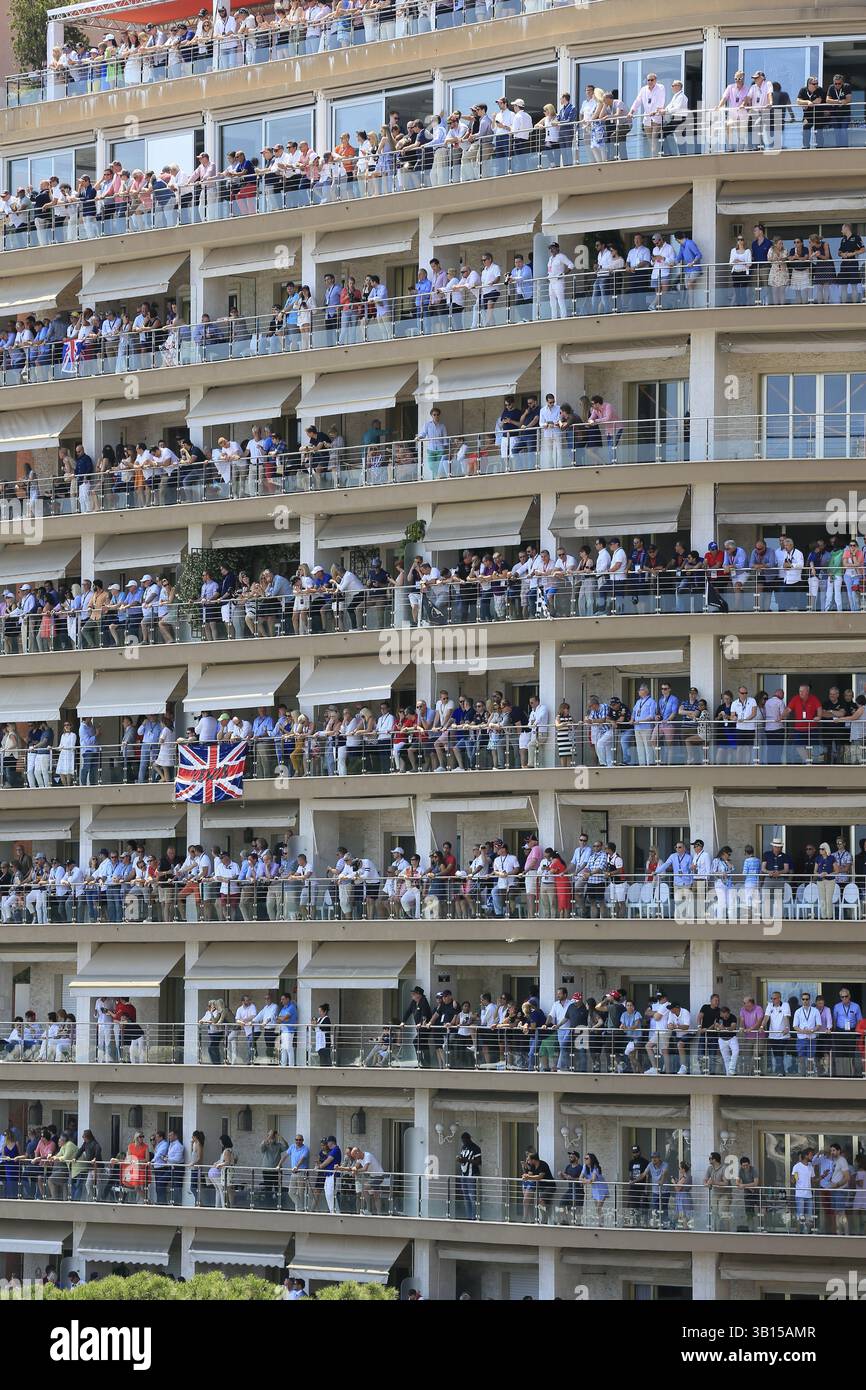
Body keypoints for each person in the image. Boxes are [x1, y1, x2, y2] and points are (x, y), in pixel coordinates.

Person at [456, 1130, 481, 1220]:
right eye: (463, 1141)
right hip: (464, 1174)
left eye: (465, 1140)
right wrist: (460, 1159)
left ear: (469, 1139)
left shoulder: (476, 1148)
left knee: (472, 1196)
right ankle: (468, 1216)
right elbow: (463, 1159)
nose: (464, 1142)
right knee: (466, 1196)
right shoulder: (464, 1147)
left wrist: (466, 1160)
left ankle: (474, 1216)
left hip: (472, 1174)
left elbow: (478, 1162)